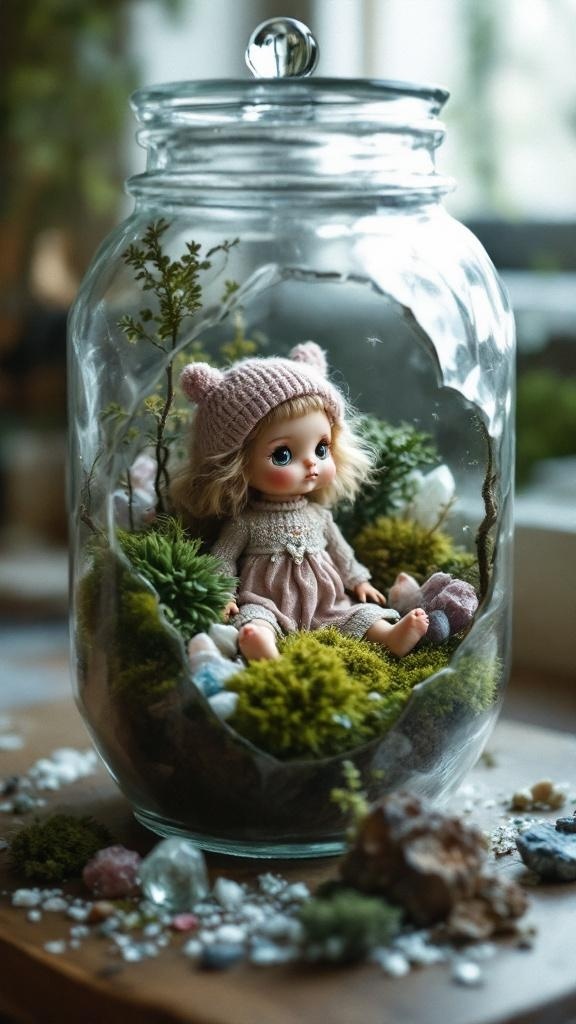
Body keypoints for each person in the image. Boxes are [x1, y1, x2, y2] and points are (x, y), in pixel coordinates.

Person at [173, 342, 428, 661]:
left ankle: (389, 636)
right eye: (283, 454)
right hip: (266, 600)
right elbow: (222, 558)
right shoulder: (245, 521)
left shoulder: (319, 515)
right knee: (255, 618)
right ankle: (262, 646)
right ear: (237, 465)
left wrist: (358, 579)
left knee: (354, 615)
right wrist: (223, 593)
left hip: (325, 601)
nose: (311, 463)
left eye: (322, 448)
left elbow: (340, 550)